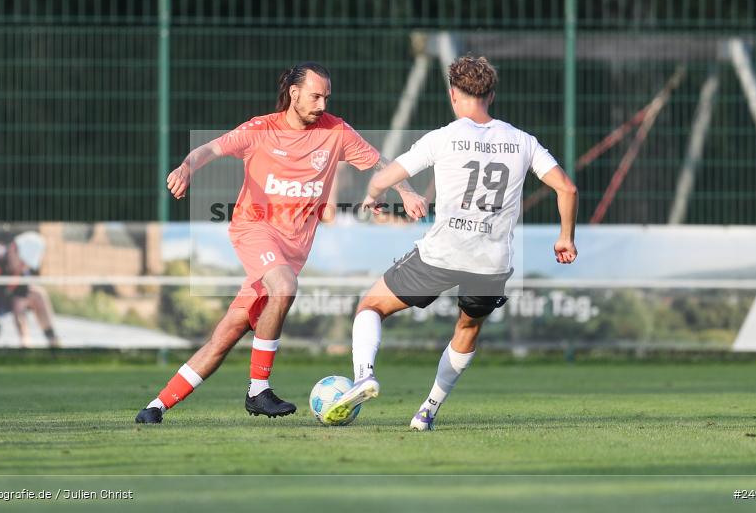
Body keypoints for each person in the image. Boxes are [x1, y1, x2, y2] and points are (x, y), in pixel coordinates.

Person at [135, 62, 427, 424]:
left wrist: (407, 191)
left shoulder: (336, 131)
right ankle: (258, 390)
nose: (322, 104)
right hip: (253, 230)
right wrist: (186, 168)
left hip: (289, 252)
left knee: (226, 335)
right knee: (285, 286)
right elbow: (209, 149)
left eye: (326, 97)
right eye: (315, 96)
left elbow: (381, 162)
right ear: (294, 93)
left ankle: (155, 407)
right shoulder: (260, 129)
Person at [324, 55, 578, 430]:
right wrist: (564, 237)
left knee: (371, 306)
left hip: (441, 254)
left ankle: (364, 375)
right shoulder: (523, 142)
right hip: (491, 263)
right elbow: (567, 188)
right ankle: (427, 410)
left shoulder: (442, 138)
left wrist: (375, 196)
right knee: (467, 329)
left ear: (453, 95)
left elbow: (385, 177)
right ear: (491, 94)